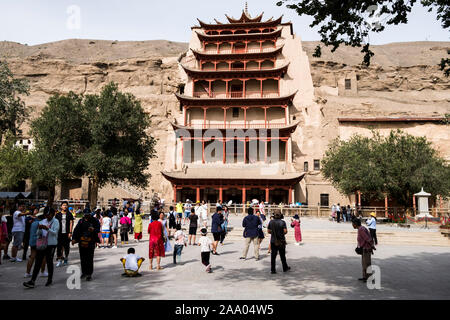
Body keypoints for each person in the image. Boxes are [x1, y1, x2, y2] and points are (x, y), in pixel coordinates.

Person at [23, 207, 60, 288]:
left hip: (51, 244)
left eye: (49, 215)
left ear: (53, 214)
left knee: (49, 262)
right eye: (46, 215)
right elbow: (38, 234)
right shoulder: (43, 221)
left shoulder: (56, 221)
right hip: (42, 244)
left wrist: (47, 229)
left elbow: (55, 233)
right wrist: (40, 229)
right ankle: (32, 281)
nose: (47, 216)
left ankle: (49, 279)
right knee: (38, 262)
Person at [71, 211, 101, 281]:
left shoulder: (95, 221)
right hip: (82, 241)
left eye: (88, 215)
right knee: (83, 258)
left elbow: (98, 229)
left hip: (91, 241)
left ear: (90, 215)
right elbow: (76, 230)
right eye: (85, 215)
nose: (86, 217)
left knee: (89, 258)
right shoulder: (81, 221)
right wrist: (74, 238)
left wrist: (93, 230)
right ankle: (84, 272)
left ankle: (89, 274)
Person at [24, 209, 47, 278]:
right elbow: (44, 233)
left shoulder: (33, 223)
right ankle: (42, 272)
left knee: (32, 256)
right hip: (40, 242)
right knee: (43, 257)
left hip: (32, 241)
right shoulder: (42, 223)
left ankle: (27, 272)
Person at [352, 217, 376, 282]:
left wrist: (372, 245)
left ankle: (369, 278)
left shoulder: (361, 229)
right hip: (364, 248)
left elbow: (367, 238)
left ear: (356, 224)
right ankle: (365, 277)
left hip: (366, 248)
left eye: (353, 224)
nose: (352, 225)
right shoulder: (361, 229)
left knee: (367, 264)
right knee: (364, 263)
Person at [55, 201, 75, 266]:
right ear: (61, 206)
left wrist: (70, 232)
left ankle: (66, 258)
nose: (65, 206)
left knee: (66, 247)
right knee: (59, 247)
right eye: (63, 205)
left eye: (66, 205)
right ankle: (60, 259)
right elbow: (55, 224)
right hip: (59, 233)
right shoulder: (58, 215)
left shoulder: (69, 214)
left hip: (66, 233)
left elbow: (71, 223)